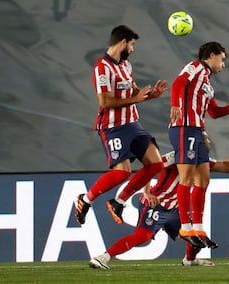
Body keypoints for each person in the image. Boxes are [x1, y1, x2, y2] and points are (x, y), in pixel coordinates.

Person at [88, 132, 229, 269]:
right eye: (204, 138)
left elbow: (227, 167)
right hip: (156, 203)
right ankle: (103, 257)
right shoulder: (175, 157)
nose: (206, 141)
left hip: (175, 209)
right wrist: (147, 193)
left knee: (195, 236)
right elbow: (149, 168)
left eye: (206, 138)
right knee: (142, 236)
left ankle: (189, 260)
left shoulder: (203, 162)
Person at [75, 25, 168, 225]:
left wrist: (152, 96)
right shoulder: (102, 67)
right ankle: (86, 199)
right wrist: (137, 100)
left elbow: (135, 92)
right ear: (123, 42)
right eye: (132, 45)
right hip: (113, 127)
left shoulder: (126, 66)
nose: (133, 50)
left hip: (132, 123)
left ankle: (119, 201)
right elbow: (105, 102)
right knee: (122, 172)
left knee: (156, 164)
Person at [168, 41, 229, 248]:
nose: (223, 65)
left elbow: (213, 113)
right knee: (187, 177)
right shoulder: (195, 67)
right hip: (184, 126)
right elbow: (177, 83)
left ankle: (198, 228)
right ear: (211, 55)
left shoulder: (208, 85)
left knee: (203, 179)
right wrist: (175, 103)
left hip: (198, 130)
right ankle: (185, 227)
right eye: (222, 59)